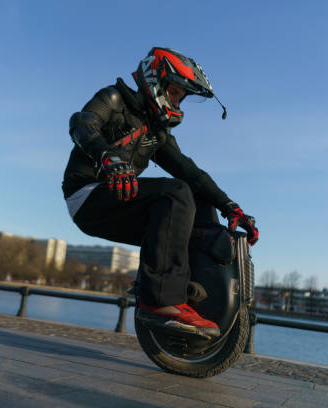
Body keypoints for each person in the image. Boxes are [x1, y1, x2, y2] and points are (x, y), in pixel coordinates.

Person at [62, 47, 259, 339]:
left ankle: (191, 290)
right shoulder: (114, 99)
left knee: (195, 193)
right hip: (88, 197)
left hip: (122, 201)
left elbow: (189, 171)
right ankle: (162, 301)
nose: (178, 101)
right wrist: (108, 156)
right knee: (175, 193)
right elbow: (82, 122)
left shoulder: (157, 134)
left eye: (182, 97)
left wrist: (229, 205)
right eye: (176, 92)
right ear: (156, 79)